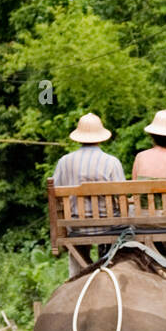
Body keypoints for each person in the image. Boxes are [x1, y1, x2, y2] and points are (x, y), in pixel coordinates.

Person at [52, 113, 125, 277]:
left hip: (75, 226)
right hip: (108, 226)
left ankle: (76, 277)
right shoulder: (111, 162)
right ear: (100, 137)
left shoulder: (64, 161)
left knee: (77, 253)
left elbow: (55, 196)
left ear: (79, 138)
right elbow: (121, 197)